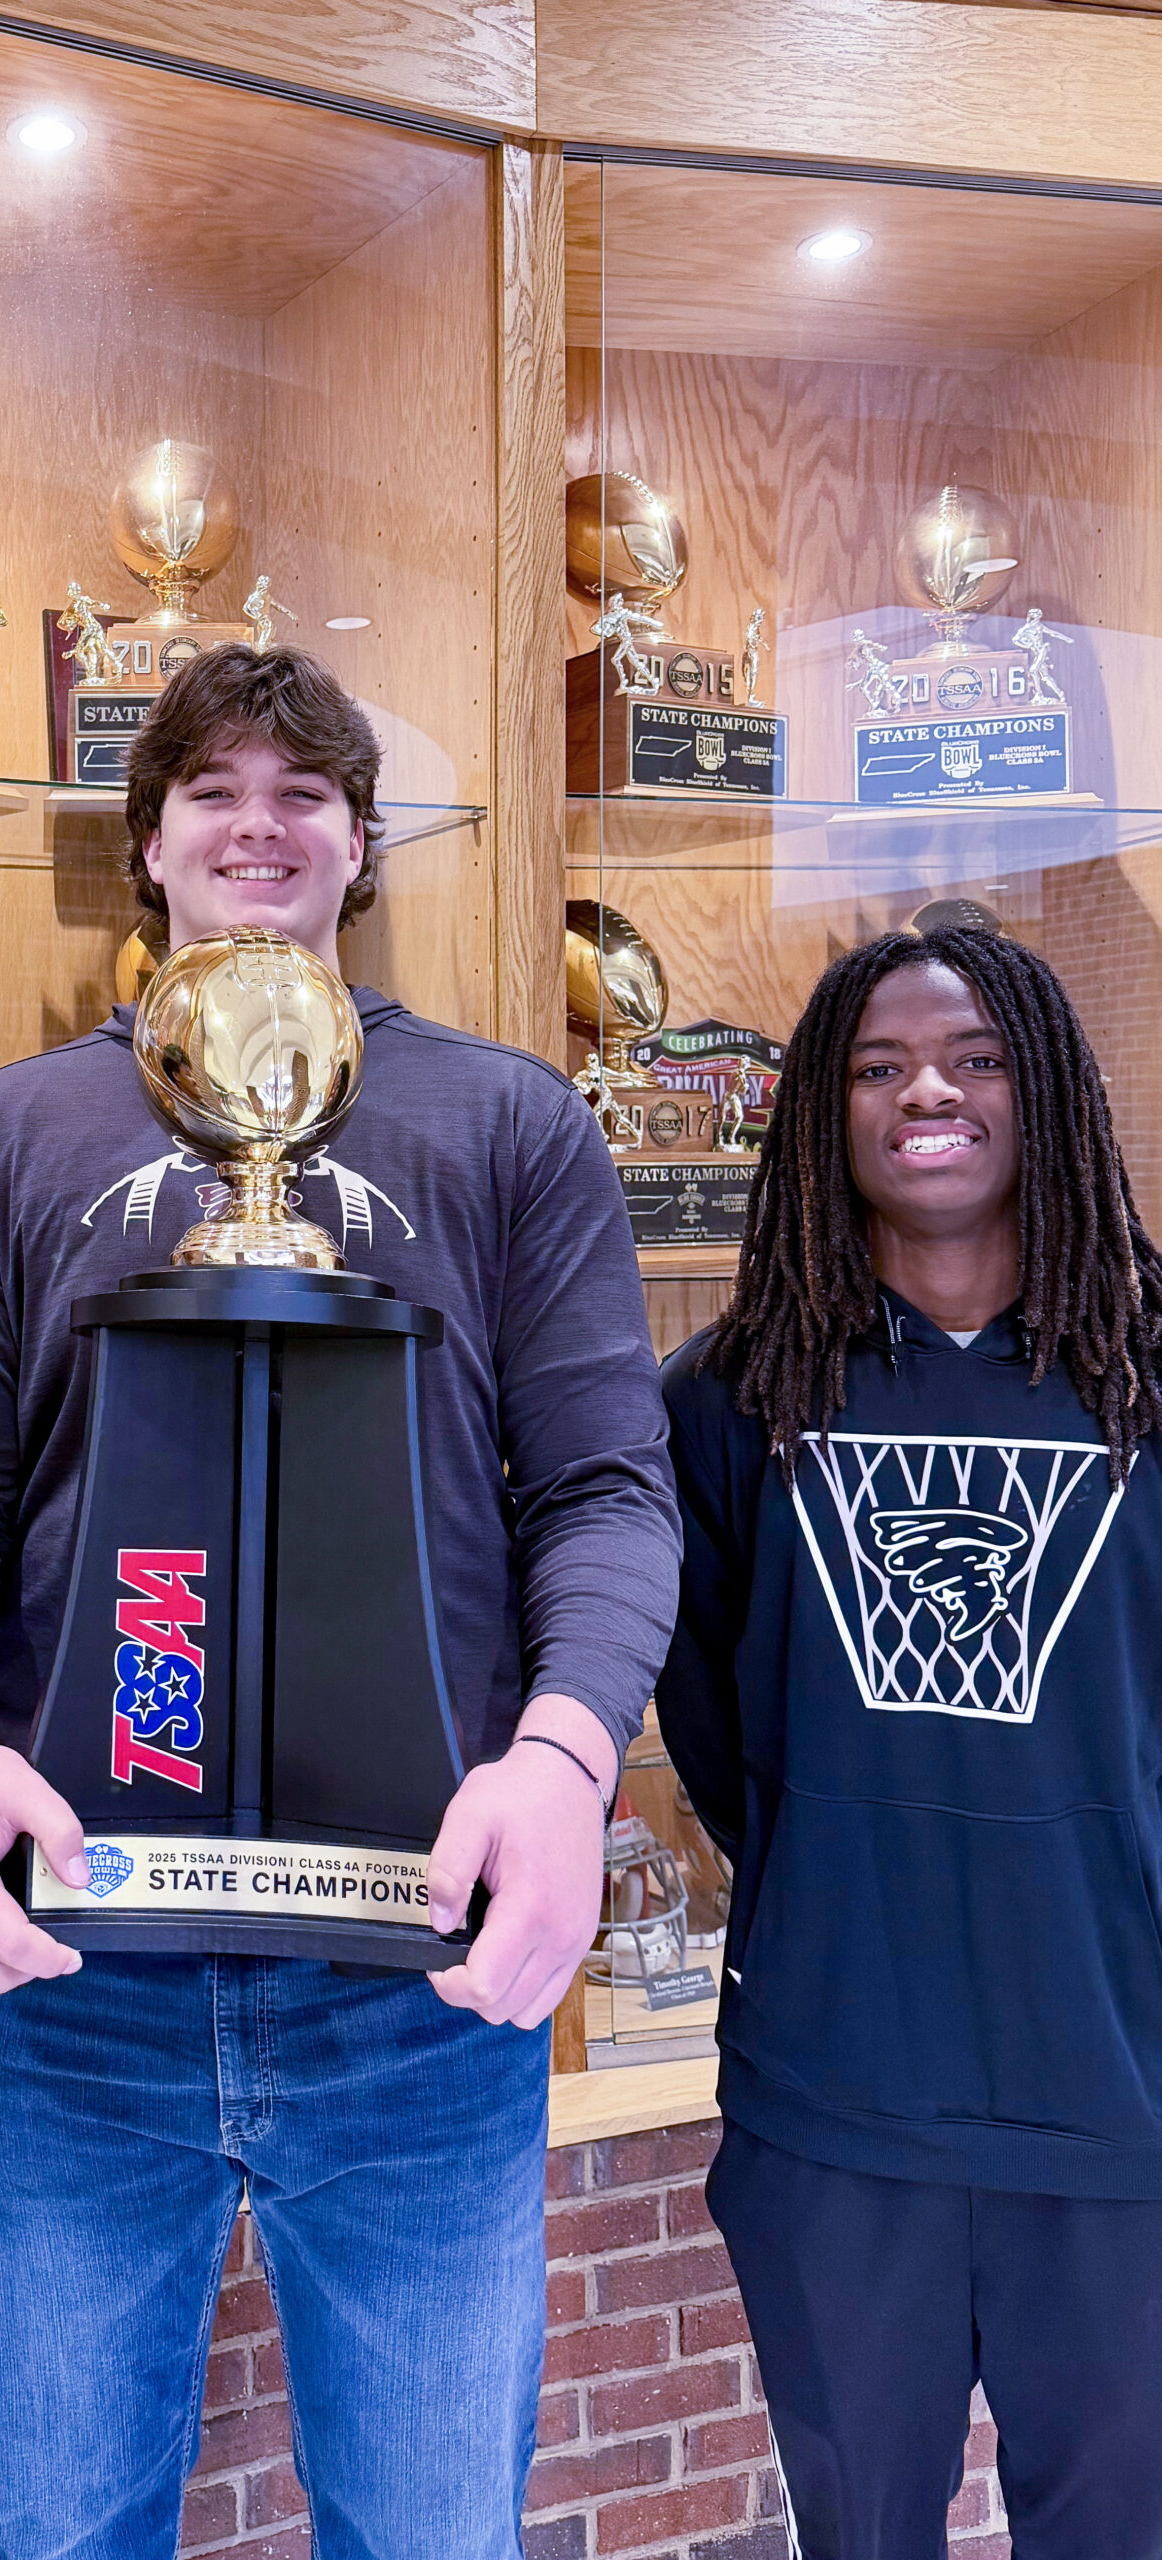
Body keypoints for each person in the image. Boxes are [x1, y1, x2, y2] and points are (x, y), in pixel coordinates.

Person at [0, 644, 680, 2560]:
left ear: (362, 842)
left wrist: (565, 1764)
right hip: (68, 1990)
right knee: (65, 2540)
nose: (257, 820)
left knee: (429, 2535)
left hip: (419, 1975)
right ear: (147, 844)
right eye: (211, 789)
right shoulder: (7, 1134)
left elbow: (607, 1493)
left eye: (303, 789)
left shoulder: (508, 1124)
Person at [658, 922, 1162, 2559]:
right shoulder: (729, 1400)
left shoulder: (1150, 1379)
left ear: (1052, 1094)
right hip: (838, 2109)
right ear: (819, 1114)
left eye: (974, 1058)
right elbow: (717, 1732)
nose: (924, 1092)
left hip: (1124, 2105)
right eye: (875, 1068)